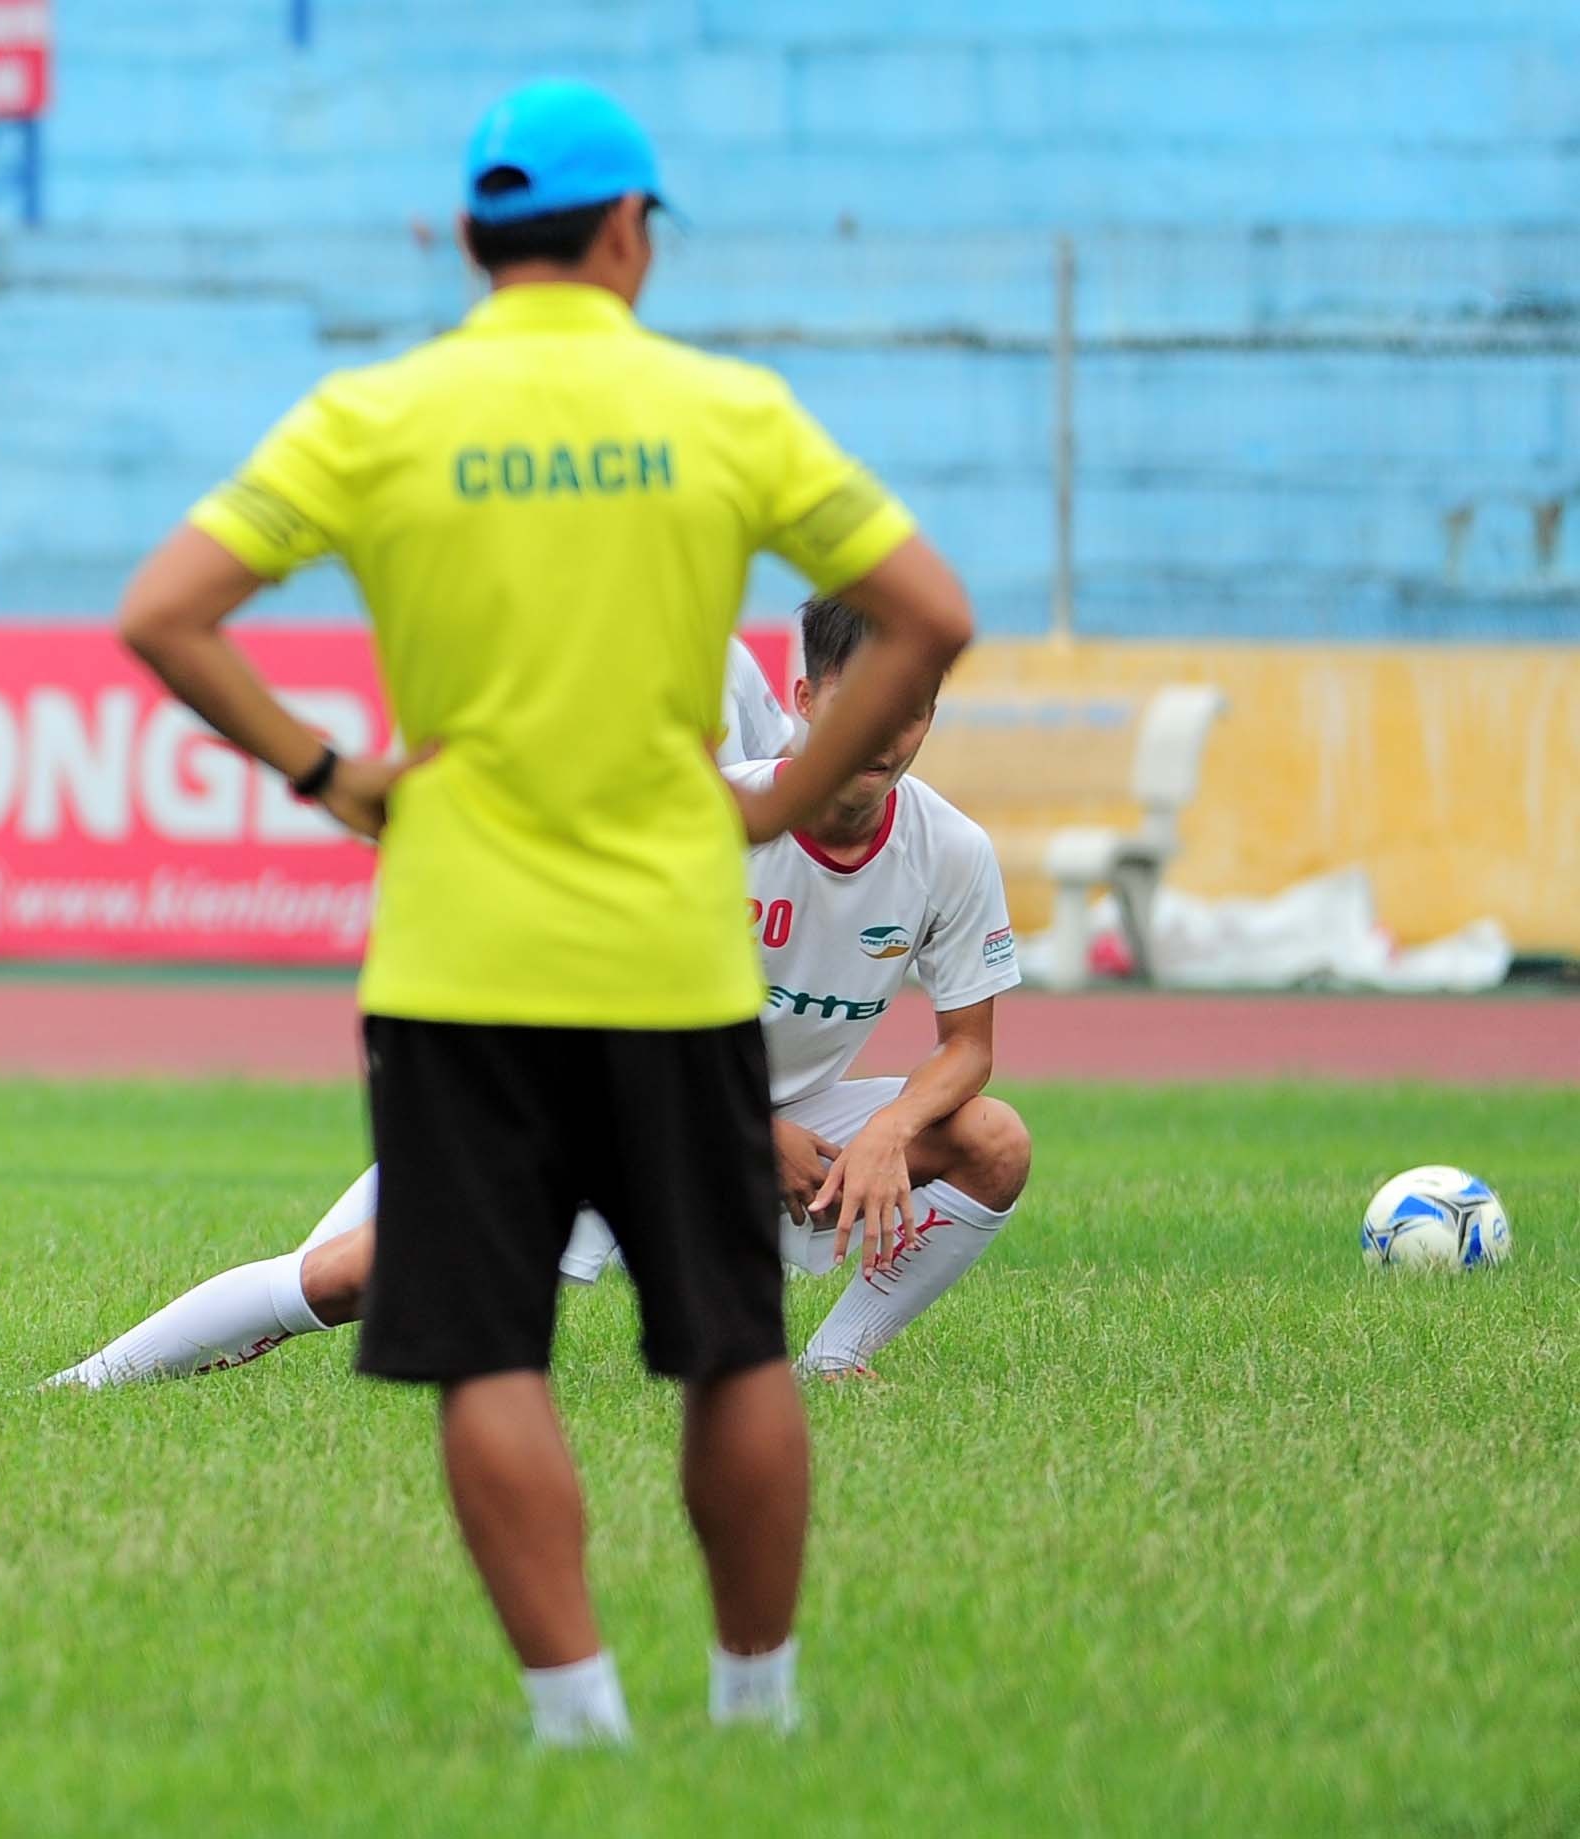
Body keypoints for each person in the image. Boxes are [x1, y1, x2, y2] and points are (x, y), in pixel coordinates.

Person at [110, 81, 977, 1745]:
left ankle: (576, 1716)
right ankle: (757, 1707)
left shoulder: (379, 410)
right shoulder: (721, 409)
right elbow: (929, 614)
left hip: (459, 951)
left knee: (488, 1346)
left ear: (463, 239)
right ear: (631, 232)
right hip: (667, 948)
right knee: (729, 1348)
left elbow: (167, 611)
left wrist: (331, 774)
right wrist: (784, 800)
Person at [55, 592, 1030, 1389]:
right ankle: (89, 1386)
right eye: (860, 702)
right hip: (600, 1103)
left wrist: (889, 1133)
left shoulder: (947, 851)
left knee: (991, 1141)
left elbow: (966, 1049)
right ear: (804, 698)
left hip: (765, 1119)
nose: (885, 732)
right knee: (362, 1281)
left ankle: (832, 1361)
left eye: (909, 707)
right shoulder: (706, 819)